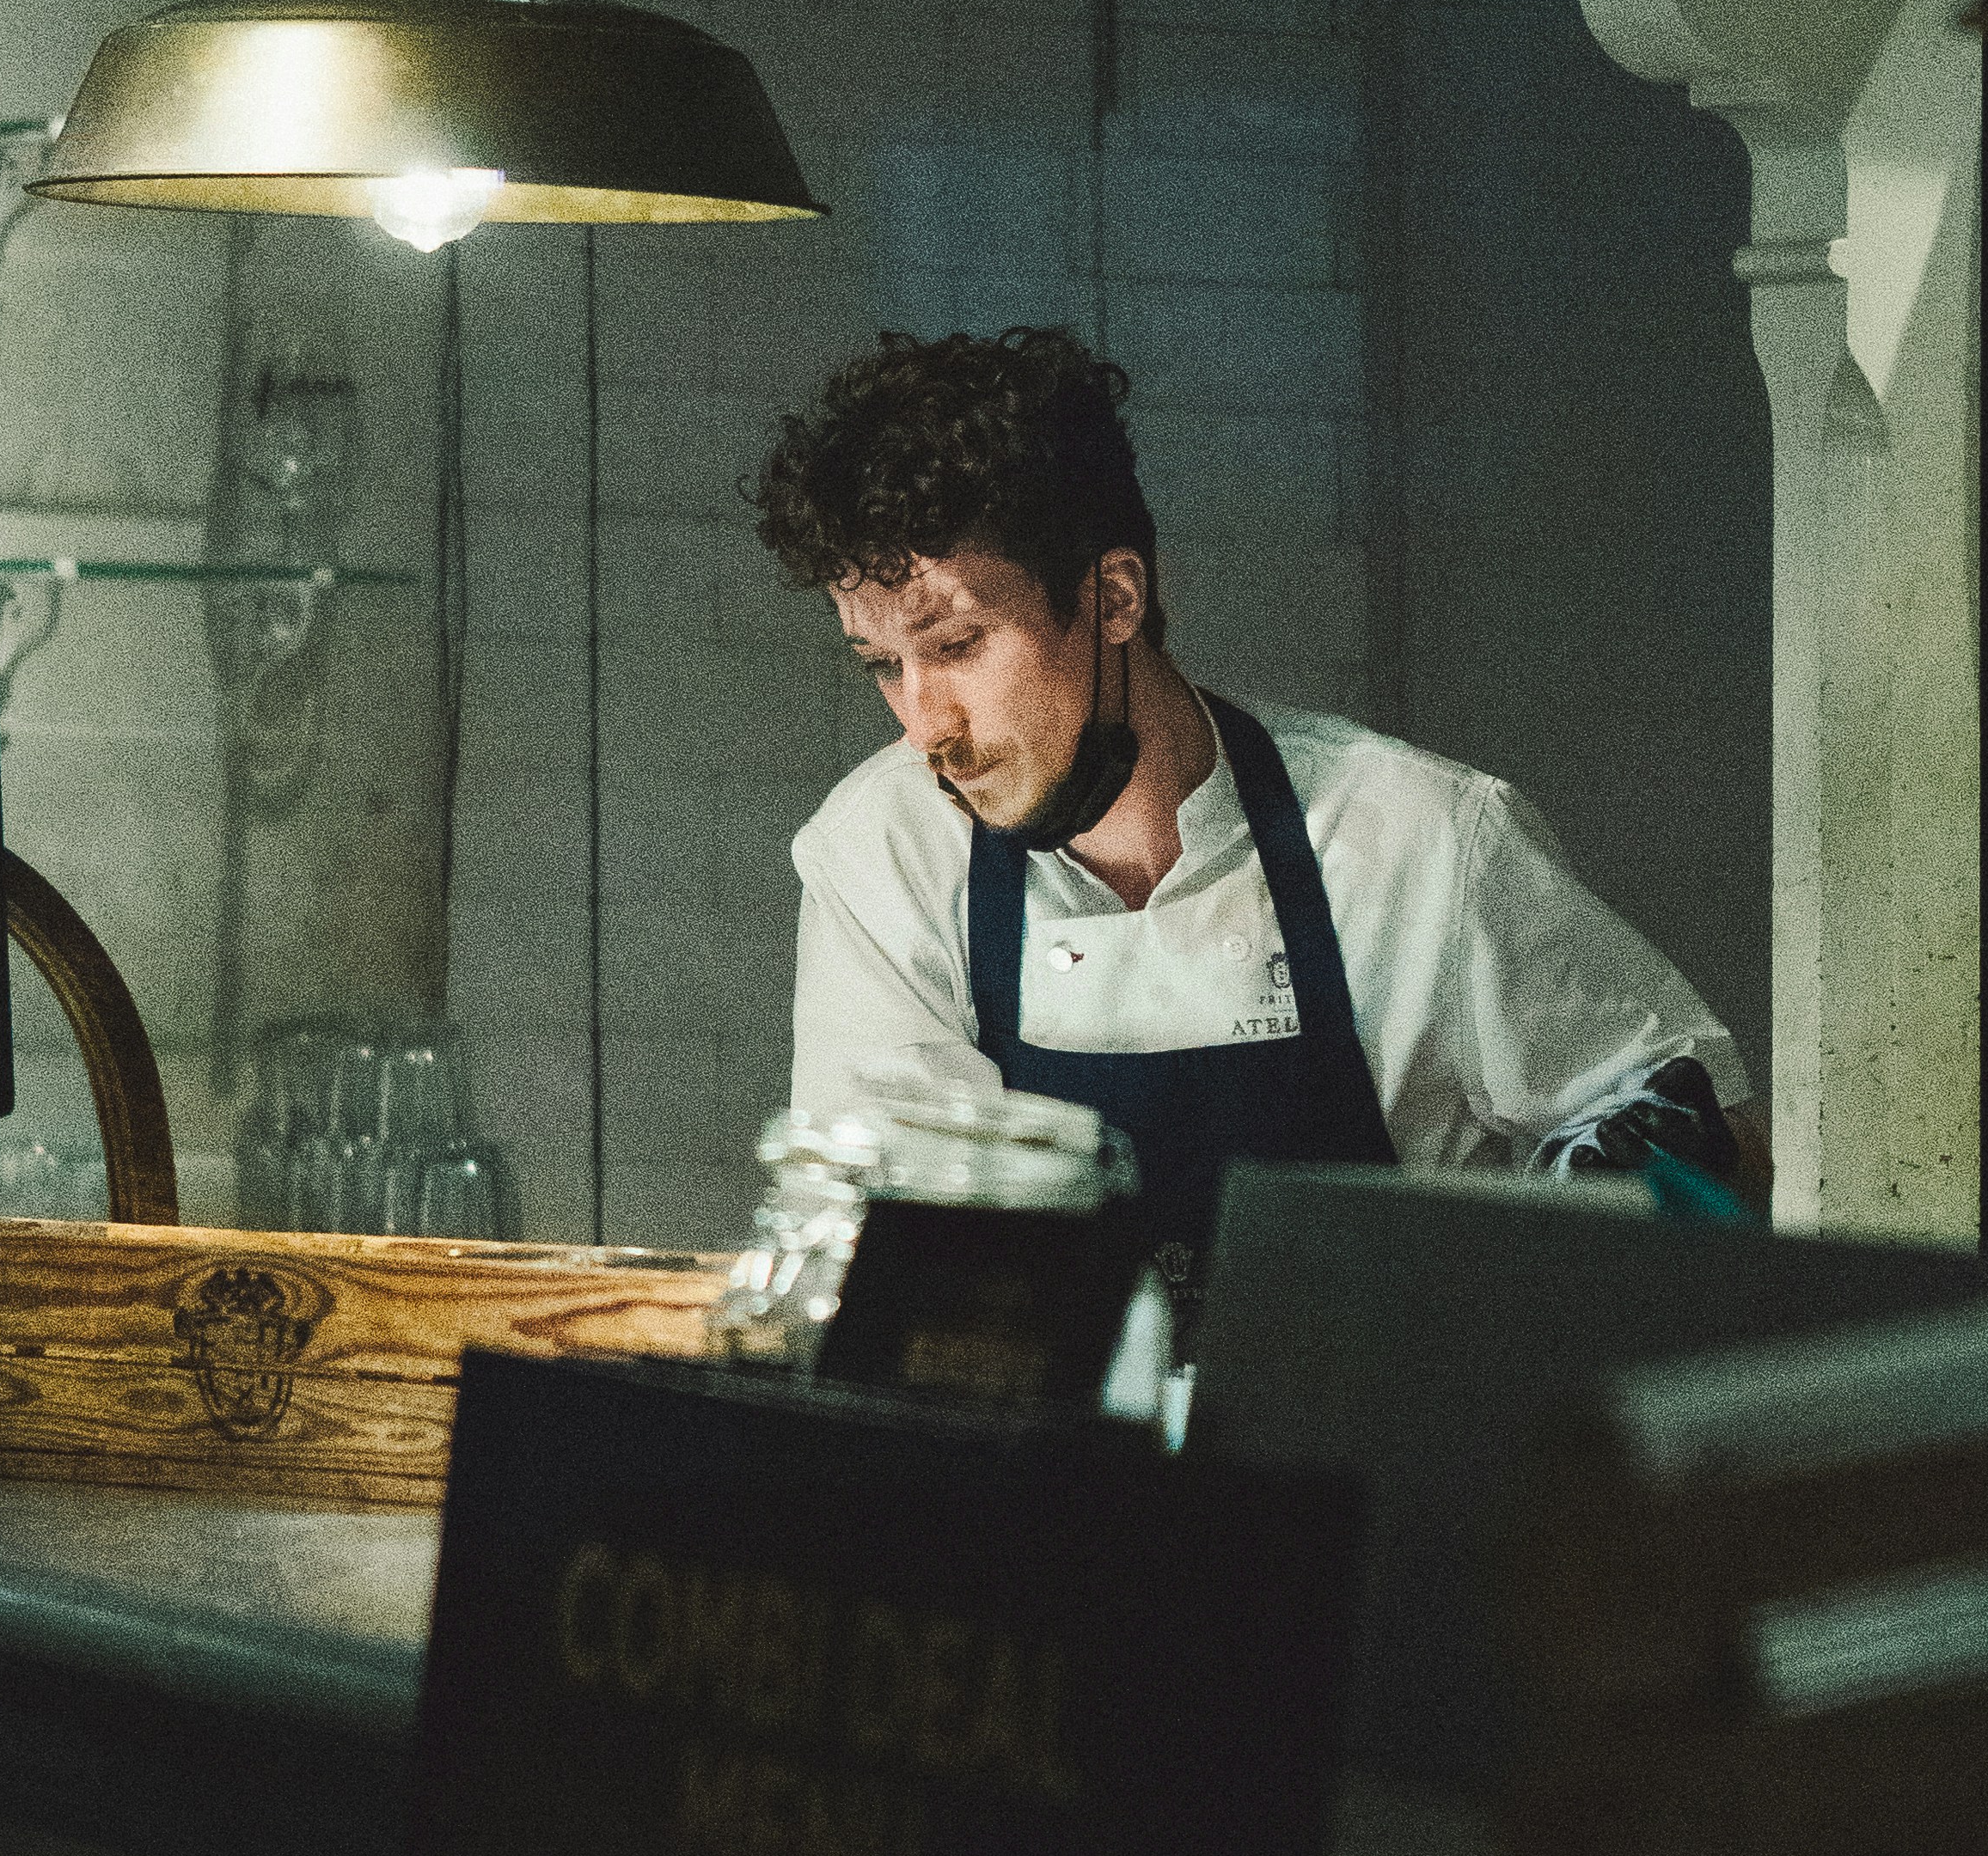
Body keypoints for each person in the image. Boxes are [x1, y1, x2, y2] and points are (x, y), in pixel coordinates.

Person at [751, 326, 1764, 1309]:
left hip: (1364, 1453)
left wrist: (1623, 1182)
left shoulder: (1422, 839)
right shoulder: (881, 851)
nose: (926, 723)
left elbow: (1710, 1151)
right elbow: (881, 1224)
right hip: (1051, 1469)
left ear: (1114, 597)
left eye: (960, 643)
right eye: (884, 665)